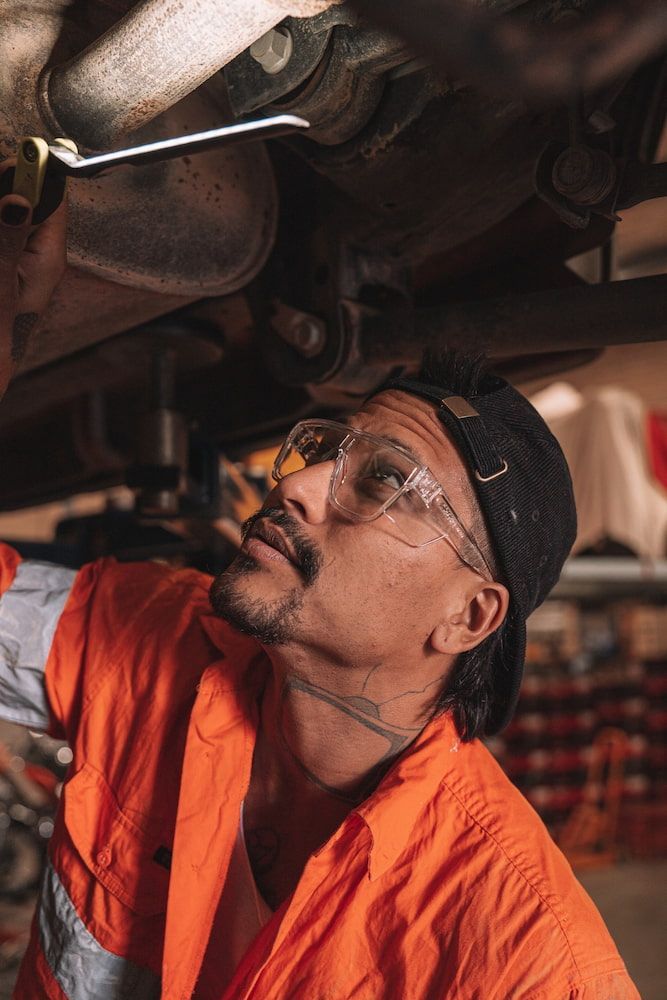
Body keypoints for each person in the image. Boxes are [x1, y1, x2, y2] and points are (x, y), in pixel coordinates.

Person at [0, 174, 639, 1000]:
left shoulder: (523, 956)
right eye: (321, 451)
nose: (297, 488)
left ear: (467, 616)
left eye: (381, 483)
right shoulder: (155, 639)